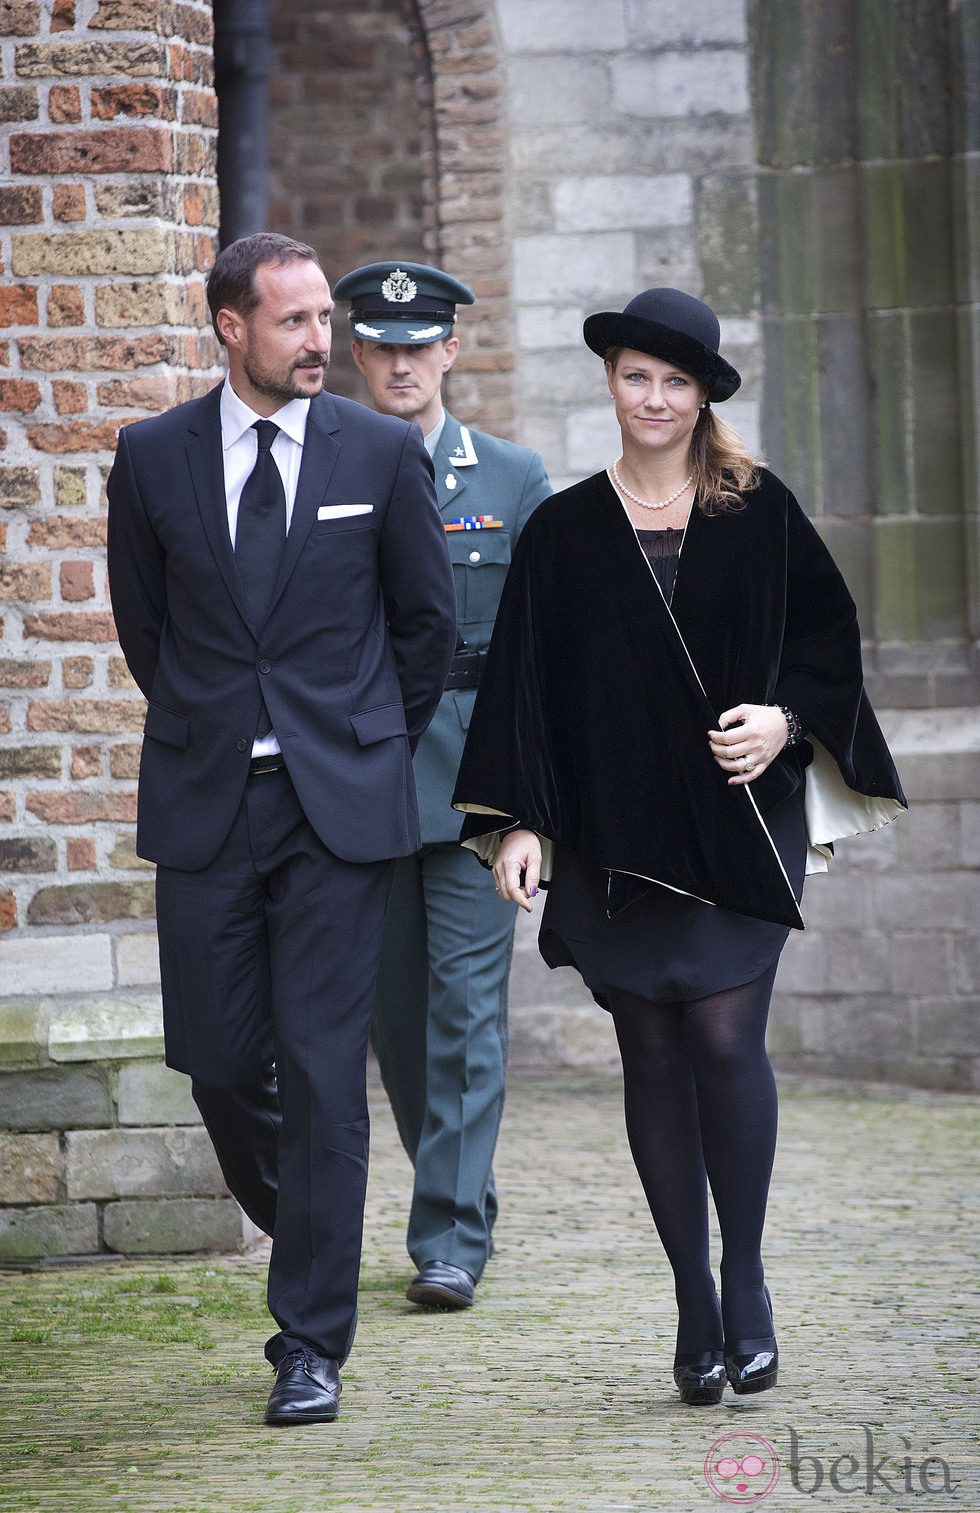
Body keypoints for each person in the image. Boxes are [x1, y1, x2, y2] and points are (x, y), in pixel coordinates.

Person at [452, 288, 906, 1404]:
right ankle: (690, 1304)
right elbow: (524, 693)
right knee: (648, 1055)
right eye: (635, 376)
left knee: (720, 1039)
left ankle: (744, 1282)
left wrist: (781, 720)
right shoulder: (560, 531)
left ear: (702, 396)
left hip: (737, 828)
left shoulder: (757, 511)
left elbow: (827, 644)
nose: (652, 398)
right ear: (610, 382)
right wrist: (517, 824)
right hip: (614, 837)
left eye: (674, 381)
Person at [106, 233, 456, 1425]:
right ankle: (314, 1214)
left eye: (326, 322)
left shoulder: (377, 451)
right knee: (215, 1062)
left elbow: (425, 628)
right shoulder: (150, 458)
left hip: (337, 814)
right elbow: (144, 633)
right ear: (229, 327)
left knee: (320, 1074)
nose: (324, 342)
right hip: (208, 801)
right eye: (298, 322)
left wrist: (356, 748)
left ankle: (309, 1338)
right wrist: (222, 728)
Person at [331, 261, 551, 1309]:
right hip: (359, 781)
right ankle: (456, 1192)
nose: (402, 363)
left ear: (450, 352)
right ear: (357, 354)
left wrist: (531, 809)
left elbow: (548, 656)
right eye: (382, 345)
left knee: (466, 1011)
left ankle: (450, 1237)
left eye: (421, 345)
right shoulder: (322, 465)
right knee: (398, 1025)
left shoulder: (510, 478)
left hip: (475, 787)